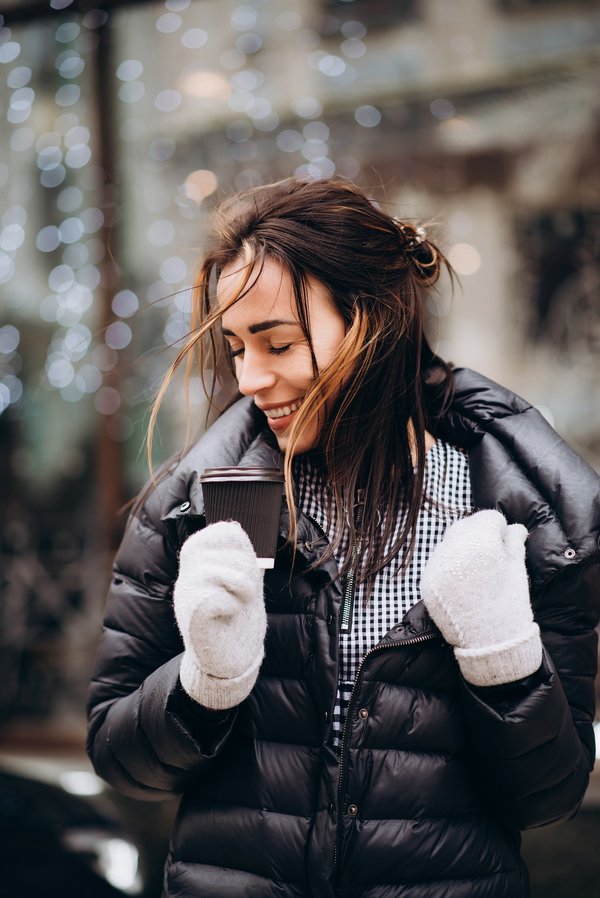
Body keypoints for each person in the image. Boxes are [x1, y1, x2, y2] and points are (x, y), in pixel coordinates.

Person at [86, 176, 600, 898]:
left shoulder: (518, 516)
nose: (251, 377)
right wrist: (204, 684)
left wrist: (505, 661)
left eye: (279, 343)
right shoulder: (193, 509)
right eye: (236, 348)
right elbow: (119, 757)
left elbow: (549, 795)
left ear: (375, 321)